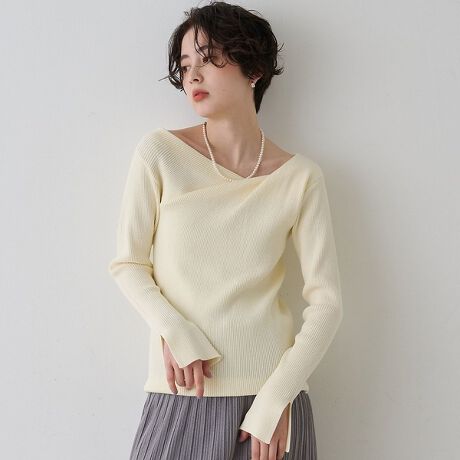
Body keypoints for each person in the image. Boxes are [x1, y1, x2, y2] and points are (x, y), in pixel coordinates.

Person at [108, 1, 343, 459]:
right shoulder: (159, 153)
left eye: (209, 58)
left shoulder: (300, 178)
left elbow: (327, 304)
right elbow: (128, 263)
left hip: (270, 408)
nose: (192, 75)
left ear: (254, 68)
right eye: (185, 65)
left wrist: (278, 398)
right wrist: (174, 331)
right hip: (184, 391)